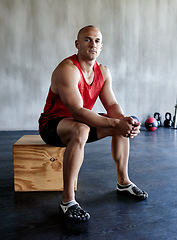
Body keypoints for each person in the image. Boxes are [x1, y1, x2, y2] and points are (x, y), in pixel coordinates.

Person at [39, 25, 148, 223]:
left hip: (82, 122)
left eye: (97, 41)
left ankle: (123, 182)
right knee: (83, 128)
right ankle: (67, 201)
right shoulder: (67, 69)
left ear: (101, 46)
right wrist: (115, 123)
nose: (92, 44)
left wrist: (126, 122)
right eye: (87, 40)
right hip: (53, 125)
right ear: (77, 44)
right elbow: (77, 111)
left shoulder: (104, 72)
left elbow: (112, 104)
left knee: (121, 122)